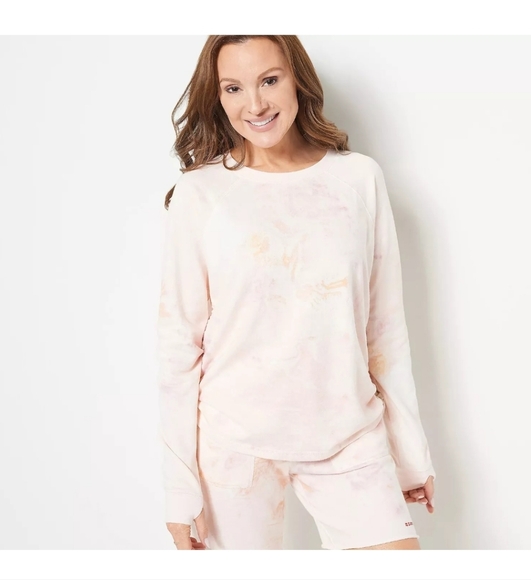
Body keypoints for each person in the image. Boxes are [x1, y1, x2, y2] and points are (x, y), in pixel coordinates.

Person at [155, 35, 436, 550]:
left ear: (297, 79)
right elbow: (178, 347)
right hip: (234, 445)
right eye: (233, 88)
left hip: (348, 436)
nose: (255, 104)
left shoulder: (358, 178)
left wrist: (409, 453)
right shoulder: (201, 194)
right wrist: (180, 488)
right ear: (217, 96)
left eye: (269, 80)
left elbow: (385, 330)